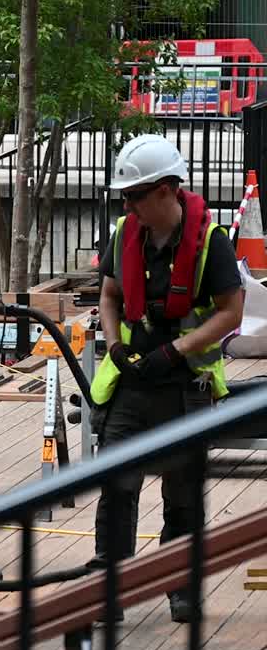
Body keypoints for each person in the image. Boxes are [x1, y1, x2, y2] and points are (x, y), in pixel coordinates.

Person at [88, 133, 244, 623]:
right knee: (116, 484)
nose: (128, 204)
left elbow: (231, 312)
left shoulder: (210, 243)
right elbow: (110, 295)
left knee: (181, 490)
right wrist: (114, 344)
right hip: (132, 381)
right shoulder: (123, 234)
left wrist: (175, 350)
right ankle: (112, 586)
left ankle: (181, 587)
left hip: (184, 384)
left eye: (136, 195)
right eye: (125, 196)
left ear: (166, 190)